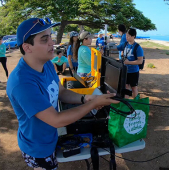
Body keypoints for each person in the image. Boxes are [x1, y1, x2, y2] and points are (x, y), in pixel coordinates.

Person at [6, 18, 119, 170]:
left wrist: (85, 98)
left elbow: (61, 92)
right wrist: (93, 104)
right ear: (27, 47)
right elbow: (56, 120)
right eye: (45, 40)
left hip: (50, 136)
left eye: (50, 37)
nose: (52, 43)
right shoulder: (22, 83)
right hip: (38, 148)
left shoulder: (46, 64)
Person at [117, 28, 144, 98]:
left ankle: (136, 103)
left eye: (128, 36)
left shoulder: (138, 47)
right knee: (126, 87)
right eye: (126, 36)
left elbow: (140, 61)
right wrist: (106, 46)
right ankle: (126, 102)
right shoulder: (125, 44)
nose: (126, 37)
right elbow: (116, 47)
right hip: (125, 71)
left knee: (134, 88)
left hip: (133, 71)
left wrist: (129, 62)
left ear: (133, 36)